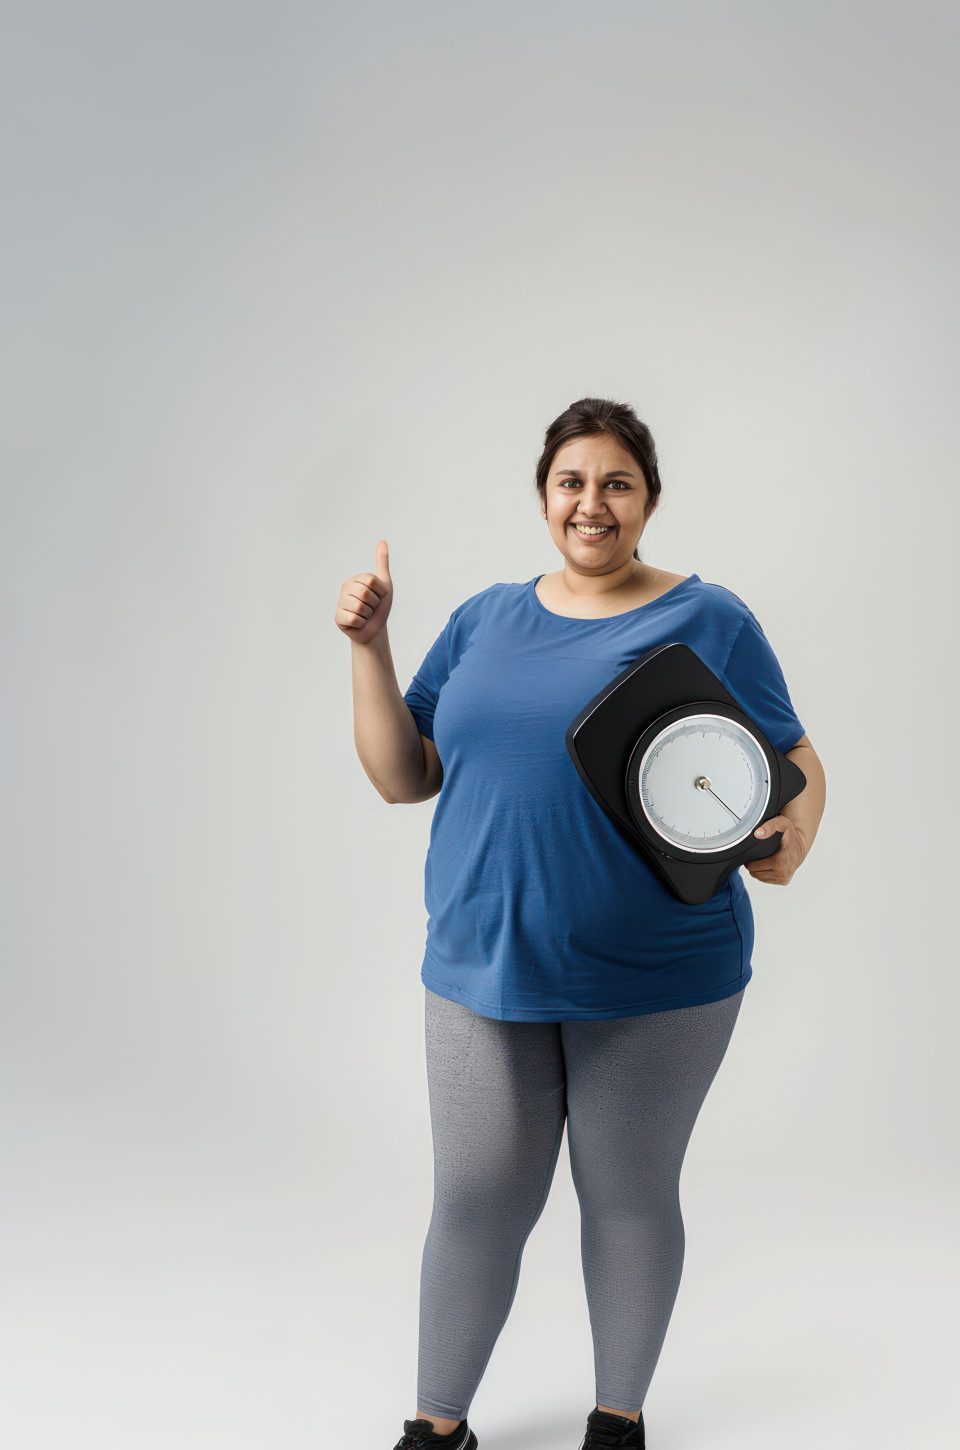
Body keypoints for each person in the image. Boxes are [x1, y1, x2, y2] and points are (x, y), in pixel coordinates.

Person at [337, 397, 826, 1450]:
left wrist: (794, 835)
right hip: (482, 964)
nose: (591, 503)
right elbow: (402, 775)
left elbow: (792, 754)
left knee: (628, 1193)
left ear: (648, 501)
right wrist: (371, 646)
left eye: (617, 483)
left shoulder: (708, 616)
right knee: (475, 1196)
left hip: (659, 975)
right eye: (572, 481)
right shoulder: (481, 619)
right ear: (543, 497)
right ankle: (435, 1426)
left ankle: (617, 1421)